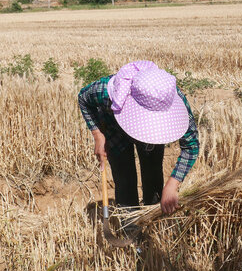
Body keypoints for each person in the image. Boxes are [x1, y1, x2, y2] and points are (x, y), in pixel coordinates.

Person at [78, 60, 199, 215]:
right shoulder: (106, 92)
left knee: (153, 172)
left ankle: (152, 216)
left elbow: (191, 146)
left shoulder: (170, 96)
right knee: (124, 177)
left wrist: (173, 184)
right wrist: (98, 135)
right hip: (113, 126)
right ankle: (129, 224)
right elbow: (83, 98)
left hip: (155, 132)